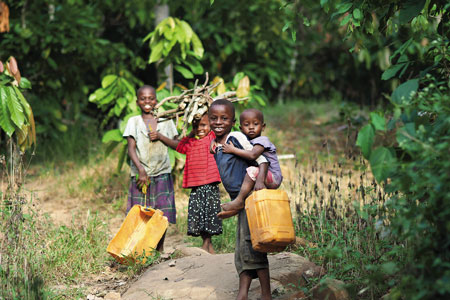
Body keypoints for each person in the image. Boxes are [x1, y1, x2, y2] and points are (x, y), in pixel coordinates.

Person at [209, 99, 272, 300]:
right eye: (214, 118)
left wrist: (260, 180)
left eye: (224, 118)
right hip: (240, 201)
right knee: (242, 248)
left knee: (254, 245)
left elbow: (261, 160)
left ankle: (266, 294)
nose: (218, 122)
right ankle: (242, 293)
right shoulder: (218, 143)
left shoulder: (236, 138)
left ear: (233, 121)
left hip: (251, 198)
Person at [150, 113, 222, 254]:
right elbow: (177, 145)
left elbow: (217, 125)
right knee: (199, 215)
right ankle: (206, 243)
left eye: (203, 125)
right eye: (196, 126)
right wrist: (160, 136)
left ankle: (207, 243)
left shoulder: (212, 139)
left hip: (210, 184)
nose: (199, 129)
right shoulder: (190, 143)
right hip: (196, 186)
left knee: (210, 215)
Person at [123, 85, 178, 229]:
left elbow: (177, 145)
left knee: (162, 215)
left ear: (156, 101)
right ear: (137, 102)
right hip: (141, 175)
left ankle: (160, 248)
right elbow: (131, 148)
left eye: (151, 98)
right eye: (143, 99)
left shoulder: (166, 120)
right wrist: (140, 170)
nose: (147, 101)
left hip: (162, 173)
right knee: (141, 213)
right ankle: (142, 248)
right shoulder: (133, 122)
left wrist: (160, 136)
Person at [220, 108, 282, 213]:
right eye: (247, 125)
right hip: (265, 174)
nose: (251, 127)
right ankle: (237, 208)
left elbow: (253, 155)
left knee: (252, 170)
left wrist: (233, 150)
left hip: (273, 177)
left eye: (256, 124)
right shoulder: (248, 141)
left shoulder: (262, 140)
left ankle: (239, 200)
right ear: (241, 128)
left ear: (263, 127)